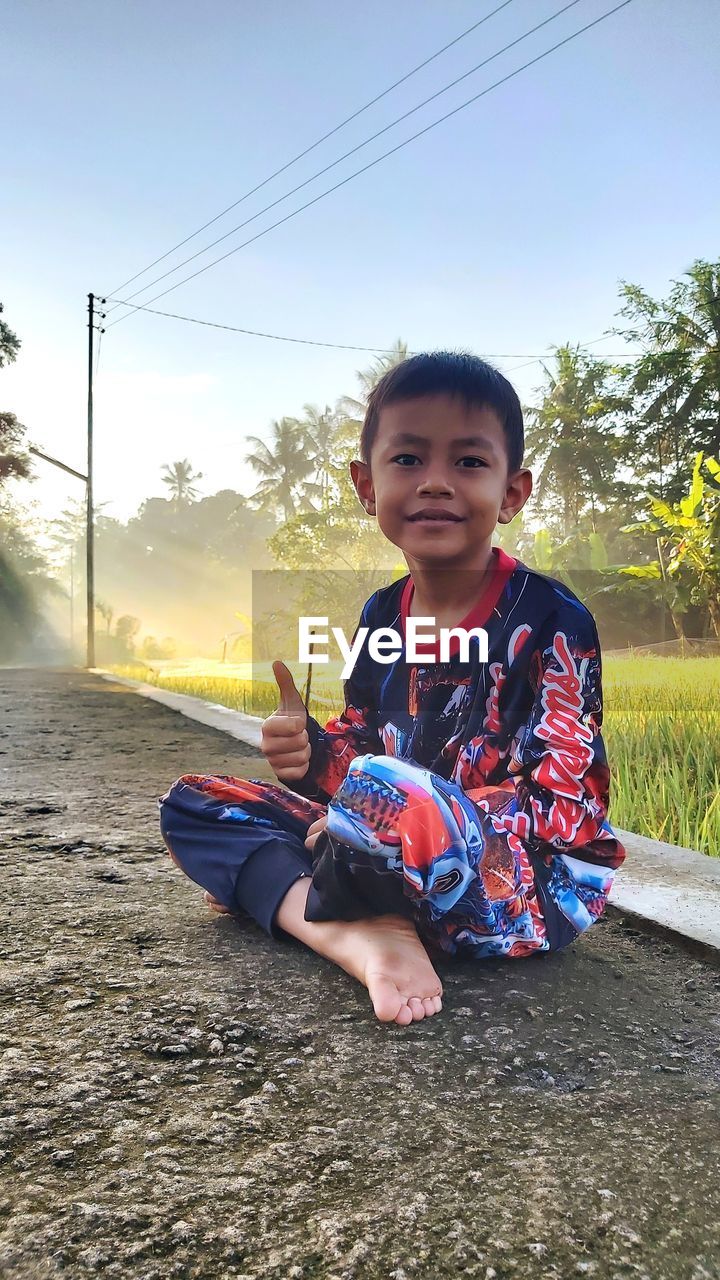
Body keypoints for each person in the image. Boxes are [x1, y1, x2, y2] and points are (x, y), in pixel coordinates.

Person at [160, 352, 626, 1027]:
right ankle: (352, 931)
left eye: (468, 462)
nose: (435, 483)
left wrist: (384, 810)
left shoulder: (552, 621)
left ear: (513, 493)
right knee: (195, 804)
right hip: (381, 849)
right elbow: (360, 746)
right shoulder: (383, 614)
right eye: (408, 459)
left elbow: (568, 807)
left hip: (515, 883)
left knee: (392, 790)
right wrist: (312, 754)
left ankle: (324, 898)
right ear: (366, 485)